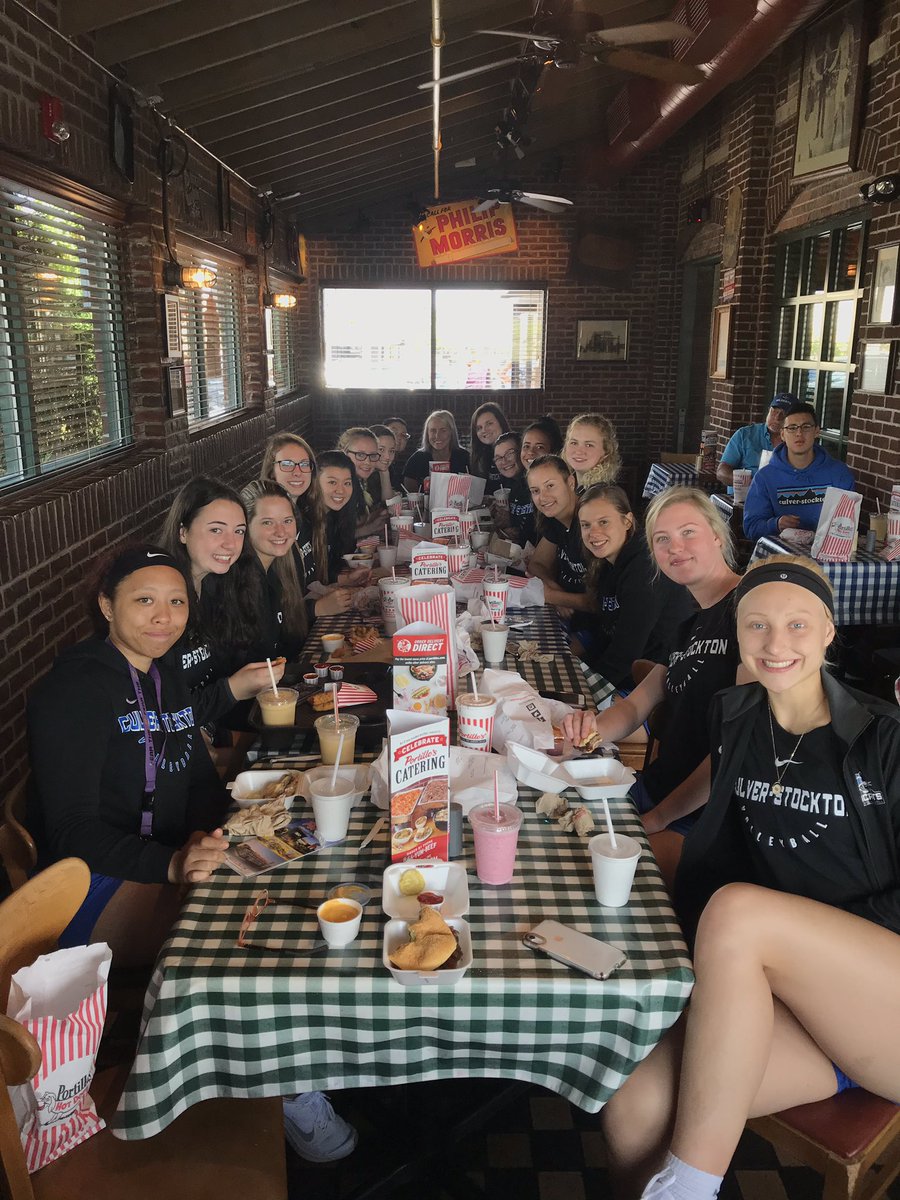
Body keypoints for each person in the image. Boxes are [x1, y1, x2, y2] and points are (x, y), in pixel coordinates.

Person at [600, 556, 900, 1200]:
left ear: (828, 632)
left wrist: (811, 958)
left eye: (797, 624)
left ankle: (689, 1187)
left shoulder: (884, 740)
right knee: (632, 1104)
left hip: (881, 1006)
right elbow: (723, 848)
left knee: (739, 912)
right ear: (737, 635)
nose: (776, 643)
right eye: (757, 625)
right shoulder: (736, 716)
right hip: (789, 1007)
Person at [26, 545, 229, 965]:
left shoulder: (164, 674)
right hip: (86, 887)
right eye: (144, 600)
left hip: (165, 859)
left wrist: (196, 837)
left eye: (177, 601)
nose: (164, 617)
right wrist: (172, 865)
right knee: (227, 939)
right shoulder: (74, 691)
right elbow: (72, 831)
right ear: (106, 605)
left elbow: (200, 780)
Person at [563, 488, 744, 867]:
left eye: (688, 532)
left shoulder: (749, 610)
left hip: (703, 816)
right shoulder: (690, 623)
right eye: (662, 539)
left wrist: (659, 818)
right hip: (653, 789)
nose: (675, 547)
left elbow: (737, 749)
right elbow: (634, 706)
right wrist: (588, 730)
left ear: (716, 534)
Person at [160, 479, 285, 730]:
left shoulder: (219, 586)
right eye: (216, 530)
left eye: (238, 531)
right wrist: (233, 689)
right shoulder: (162, 606)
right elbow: (157, 714)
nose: (230, 543)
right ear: (182, 532)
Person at [574, 484, 694, 690]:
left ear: (627, 521)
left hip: (657, 686)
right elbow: (605, 628)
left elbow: (625, 654)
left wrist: (582, 692)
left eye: (603, 522)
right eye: (586, 525)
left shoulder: (644, 570)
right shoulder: (609, 561)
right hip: (628, 674)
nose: (593, 533)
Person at [259, 431, 352, 618]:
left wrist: (340, 583)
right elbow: (264, 610)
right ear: (271, 470)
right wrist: (316, 609)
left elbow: (308, 582)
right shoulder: (265, 530)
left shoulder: (304, 517)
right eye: (286, 464)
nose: (297, 471)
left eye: (304, 464)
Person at [743, 402, 855, 540]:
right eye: (792, 428)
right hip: (781, 557)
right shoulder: (765, 477)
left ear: (816, 431)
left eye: (806, 427)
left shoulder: (839, 474)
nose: (799, 433)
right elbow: (751, 528)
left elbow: (849, 524)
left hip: (829, 555)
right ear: (782, 434)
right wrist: (776, 524)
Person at [239, 481, 308, 664]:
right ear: (245, 526)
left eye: (287, 521)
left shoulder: (275, 571)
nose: (281, 531)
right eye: (267, 522)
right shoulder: (240, 583)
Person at [526, 455, 595, 621]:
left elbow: (603, 602)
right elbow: (537, 564)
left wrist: (552, 596)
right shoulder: (555, 519)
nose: (542, 497)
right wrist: (558, 593)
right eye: (536, 491)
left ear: (570, 483)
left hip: (598, 629)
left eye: (550, 486)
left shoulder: (590, 522)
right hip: (568, 617)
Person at [715, 392, 795, 490]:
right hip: (743, 498)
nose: (777, 418)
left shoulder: (796, 441)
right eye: (774, 411)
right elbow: (721, 472)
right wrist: (751, 483)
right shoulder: (745, 434)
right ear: (768, 411)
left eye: (784, 414)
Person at [337, 426, 391, 537]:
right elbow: (330, 537)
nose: (367, 462)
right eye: (360, 455)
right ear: (344, 452)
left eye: (372, 455)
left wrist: (374, 519)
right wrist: (370, 528)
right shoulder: (336, 486)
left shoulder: (357, 482)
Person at [403, 409, 470, 494]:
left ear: (451, 432)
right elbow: (411, 494)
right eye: (433, 430)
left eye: (443, 430)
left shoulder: (464, 457)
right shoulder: (417, 459)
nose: (437, 436)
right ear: (427, 433)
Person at [318, 450, 360, 583]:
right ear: (314, 483)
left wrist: (347, 579)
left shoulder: (335, 516)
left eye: (347, 483)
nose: (341, 490)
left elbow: (328, 569)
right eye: (332, 482)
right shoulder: (303, 522)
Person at [490, 431, 536, 546]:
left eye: (509, 453)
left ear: (521, 452)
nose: (504, 461)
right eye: (498, 458)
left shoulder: (536, 484)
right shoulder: (512, 486)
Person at [563, 413, 621, 490]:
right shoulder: (567, 484)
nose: (579, 451)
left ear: (606, 452)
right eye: (574, 443)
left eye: (589, 445)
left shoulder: (602, 495)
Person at [469, 402, 510, 495]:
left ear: (501, 422)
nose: (484, 430)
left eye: (489, 423)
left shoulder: (517, 450)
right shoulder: (480, 456)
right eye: (479, 428)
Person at [383, 414, 411, 486]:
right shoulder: (374, 463)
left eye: (403, 435)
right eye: (394, 433)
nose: (398, 438)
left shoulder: (398, 465)